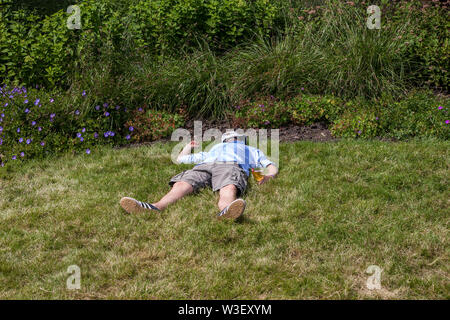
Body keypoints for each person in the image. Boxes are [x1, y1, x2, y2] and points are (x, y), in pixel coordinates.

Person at [120, 130, 278, 220]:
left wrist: (270, 176)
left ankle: (226, 210)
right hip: (205, 165)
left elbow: (270, 165)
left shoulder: (250, 150)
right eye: (230, 138)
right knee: (182, 184)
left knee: (229, 186)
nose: (233, 139)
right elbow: (181, 159)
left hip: (230, 165)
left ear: (242, 141)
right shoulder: (213, 149)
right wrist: (188, 146)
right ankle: (155, 207)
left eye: (236, 138)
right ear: (223, 141)